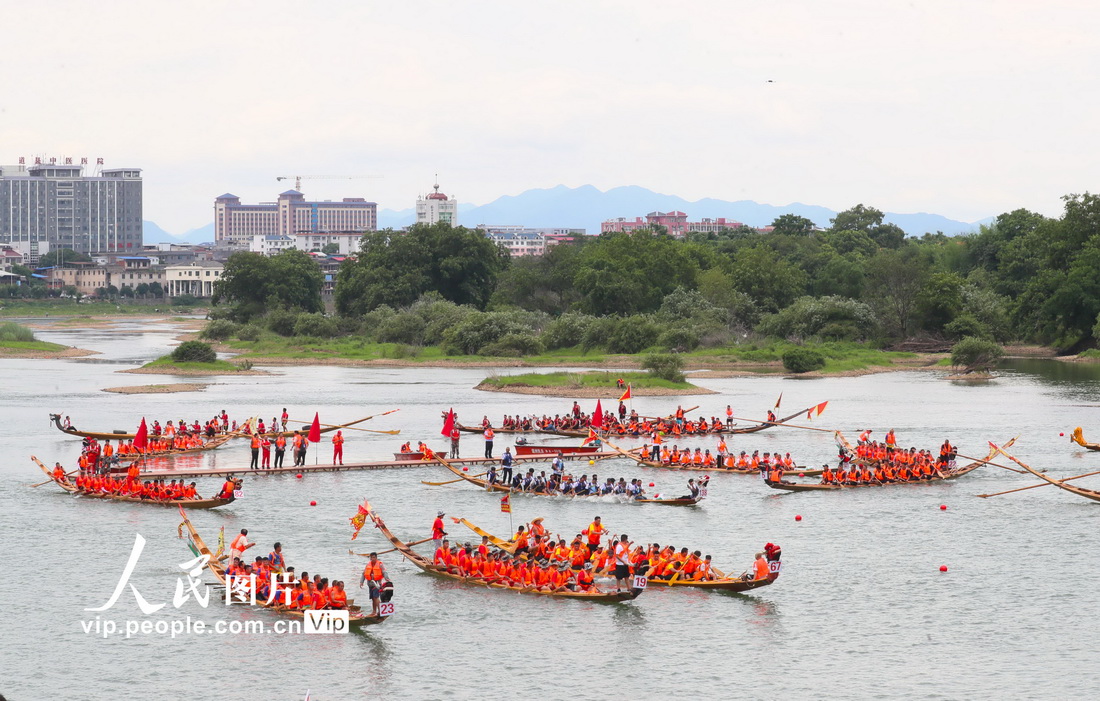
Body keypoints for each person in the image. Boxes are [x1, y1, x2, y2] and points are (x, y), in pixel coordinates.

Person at [359, 552, 388, 616]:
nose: (372, 559)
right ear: (370, 558)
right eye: (371, 557)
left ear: (376, 558)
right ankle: (374, 611)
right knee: (372, 598)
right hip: (370, 583)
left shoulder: (380, 564)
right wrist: (361, 582)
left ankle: (380, 610)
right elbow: (364, 573)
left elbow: (384, 572)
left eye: (374, 557)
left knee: (376, 597)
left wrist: (387, 578)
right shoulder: (368, 565)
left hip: (377, 583)